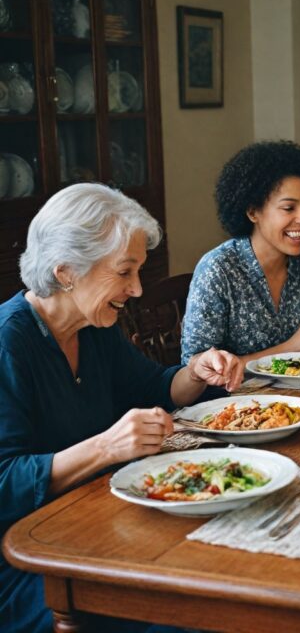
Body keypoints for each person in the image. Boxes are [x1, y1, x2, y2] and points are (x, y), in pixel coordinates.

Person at [0, 183, 243, 633]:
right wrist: (106, 448)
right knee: (191, 609)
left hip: (95, 527)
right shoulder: (7, 342)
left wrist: (195, 371)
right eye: (124, 272)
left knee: (223, 570)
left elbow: (153, 386)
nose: (135, 290)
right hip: (30, 564)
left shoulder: (93, 326)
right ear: (67, 271)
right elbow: (4, 482)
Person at [181, 141, 300, 365]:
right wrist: (291, 347)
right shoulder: (218, 270)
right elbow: (194, 370)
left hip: (295, 398)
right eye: (288, 208)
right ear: (252, 212)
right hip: (233, 400)